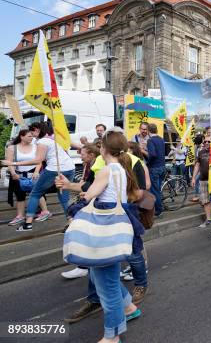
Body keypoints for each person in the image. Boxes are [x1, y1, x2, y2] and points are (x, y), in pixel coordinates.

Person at [59, 130, 143, 342]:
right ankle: (130, 308)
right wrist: (72, 186)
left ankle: (113, 336)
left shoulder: (107, 170)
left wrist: (70, 188)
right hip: (114, 228)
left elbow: (89, 194)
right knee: (103, 278)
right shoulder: (120, 168)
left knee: (108, 288)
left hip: (105, 232)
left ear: (103, 149)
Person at [2, 123, 75, 232]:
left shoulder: (42, 141)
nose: (32, 135)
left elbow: (37, 160)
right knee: (64, 198)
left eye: (32, 132)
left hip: (55, 169)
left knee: (35, 194)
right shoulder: (51, 140)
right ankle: (71, 224)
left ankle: (28, 224)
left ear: (37, 130)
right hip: (70, 168)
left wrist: (13, 163)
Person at [60, 144, 100, 280]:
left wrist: (88, 193)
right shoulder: (91, 166)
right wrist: (68, 185)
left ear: (91, 155)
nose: (80, 156)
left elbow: (93, 187)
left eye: (82, 154)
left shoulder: (101, 166)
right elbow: (87, 186)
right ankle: (85, 266)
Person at [6, 129, 46, 226]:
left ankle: (45, 212)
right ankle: (20, 216)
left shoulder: (35, 147)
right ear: (22, 136)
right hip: (18, 175)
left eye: (32, 136)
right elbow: (9, 162)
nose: (32, 138)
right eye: (29, 136)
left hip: (33, 174)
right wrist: (13, 173)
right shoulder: (12, 148)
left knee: (38, 193)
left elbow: (39, 161)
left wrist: (36, 172)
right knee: (20, 195)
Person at [192, 136, 211, 227]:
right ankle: (208, 219)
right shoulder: (200, 152)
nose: (207, 143)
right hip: (203, 180)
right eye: (205, 142)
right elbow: (197, 165)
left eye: (209, 141)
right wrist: (193, 178)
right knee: (205, 200)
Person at [146, 123, 166, 217]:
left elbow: (153, 154)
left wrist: (148, 163)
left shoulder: (150, 141)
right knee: (158, 189)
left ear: (148, 131)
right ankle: (159, 206)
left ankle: (158, 210)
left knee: (155, 190)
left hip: (154, 167)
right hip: (162, 166)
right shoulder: (161, 139)